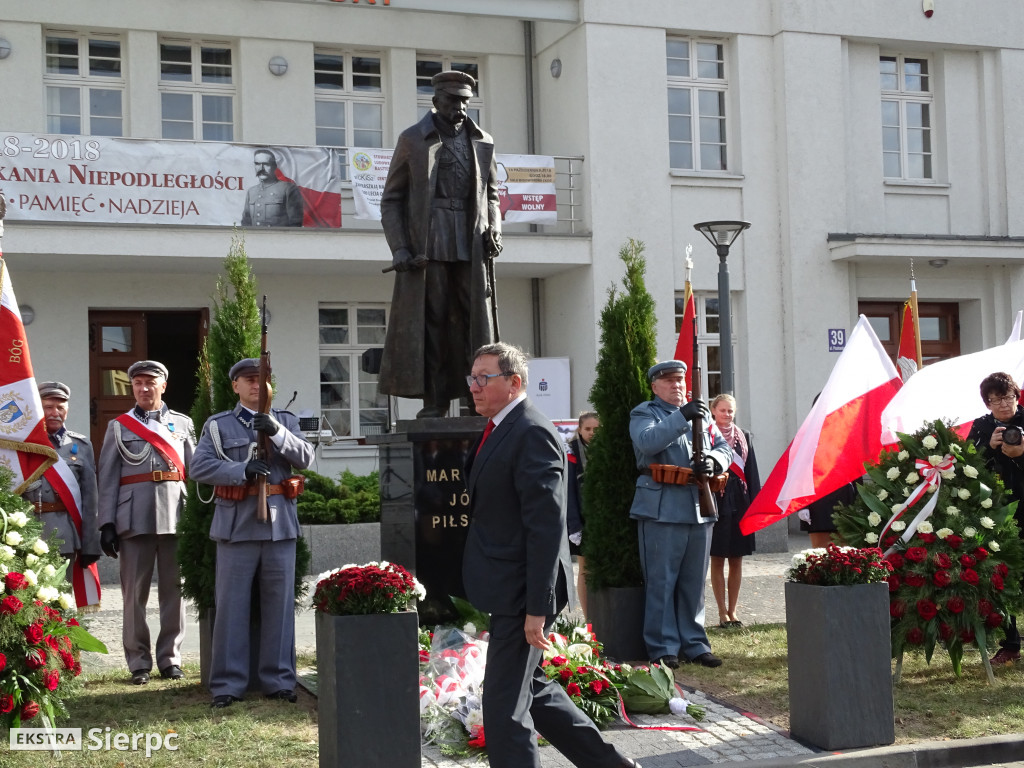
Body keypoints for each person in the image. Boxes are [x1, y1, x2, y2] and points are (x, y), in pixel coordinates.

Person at [462, 342, 641, 768]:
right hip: (509, 585)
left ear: (514, 382)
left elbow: (545, 529)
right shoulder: (501, 427)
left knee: (504, 707)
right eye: (472, 378)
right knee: (535, 691)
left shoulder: (531, 431)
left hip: (524, 592)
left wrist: (536, 608)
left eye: (483, 378)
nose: (474, 387)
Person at [189, 358, 315, 708]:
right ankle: (227, 685)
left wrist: (275, 430)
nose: (257, 385)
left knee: (280, 607)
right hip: (236, 526)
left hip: (279, 527)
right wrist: (240, 468)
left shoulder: (286, 421)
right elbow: (198, 466)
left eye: (263, 379)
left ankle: (279, 680)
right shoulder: (219, 425)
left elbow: (305, 456)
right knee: (231, 607)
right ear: (236, 386)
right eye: (249, 380)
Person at [377, 70, 502, 418]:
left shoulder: (482, 140)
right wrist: (400, 248)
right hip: (428, 243)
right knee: (431, 321)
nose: (460, 108)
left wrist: (494, 227)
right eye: (452, 101)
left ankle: (472, 398)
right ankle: (435, 399)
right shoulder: (413, 140)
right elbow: (391, 199)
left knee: (471, 322)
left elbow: (491, 195)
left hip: (469, 242)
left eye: (464, 101)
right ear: (435, 102)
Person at [629, 360, 732, 669]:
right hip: (661, 507)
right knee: (661, 581)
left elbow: (724, 446)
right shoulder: (644, 413)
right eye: (669, 381)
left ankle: (695, 643)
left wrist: (714, 461)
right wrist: (682, 416)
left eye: (680, 380)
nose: (677, 385)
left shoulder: (701, 416)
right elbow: (648, 442)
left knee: (693, 582)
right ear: (654, 386)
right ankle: (663, 647)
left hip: (698, 506)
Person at [97, 360, 194, 685]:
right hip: (132, 518)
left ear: (163, 386)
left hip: (175, 517)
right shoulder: (119, 426)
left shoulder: (182, 424)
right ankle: (138, 661)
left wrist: (198, 518)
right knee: (133, 596)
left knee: (174, 592)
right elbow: (108, 477)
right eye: (137, 383)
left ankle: (170, 658)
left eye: (150, 382)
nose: (143, 388)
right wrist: (107, 522)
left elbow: (194, 473)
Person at [967, 371, 1024, 666]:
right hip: (996, 510)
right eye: (995, 399)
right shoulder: (982, 426)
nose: (1003, 404)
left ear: (1016, 396)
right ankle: (1011, 642)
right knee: (1002, 574)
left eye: (1007, 397)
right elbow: (968, 465)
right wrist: (987, 446)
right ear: (987, 403)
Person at [21, 381, 100, 587]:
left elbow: (90, 500)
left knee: (62, 600)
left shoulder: (80, 445)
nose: (54, 412)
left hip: (64, 532)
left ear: (67, 410)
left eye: (60, 407)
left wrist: (90, 543)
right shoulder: (21, 445)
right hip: (26, 533)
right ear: (39, 408)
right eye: (48, 407)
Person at [707, 394, 760, 628]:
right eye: (723, 410)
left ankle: (733, 611)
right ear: (713, 410)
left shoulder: (744, 436)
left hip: (740, 500)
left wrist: (756, 506)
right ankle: (721, 613)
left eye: (730, 411)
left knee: (736, 559)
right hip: (716, 499)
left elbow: (752, 471)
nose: (727, 415)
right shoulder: (706, 436)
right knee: (717, 558)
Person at [566, 410, 599, 616]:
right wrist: (574, 525)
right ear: (579, 430)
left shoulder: (608, 450)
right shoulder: (571, 453)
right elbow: (569, 491)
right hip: (583, 520)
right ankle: (589, 619)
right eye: (587, 429)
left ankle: (603, 615)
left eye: (596, 429)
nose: (592, 433)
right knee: (586, 570)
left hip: (604, 520)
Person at [241, 148, 304, 227]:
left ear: (274, 166)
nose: (261, 168)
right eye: (257, 164)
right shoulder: (251, 191)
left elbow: (295, 223)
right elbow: (246, 222)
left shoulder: (288, 189)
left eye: (266, 164)